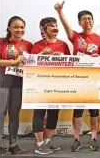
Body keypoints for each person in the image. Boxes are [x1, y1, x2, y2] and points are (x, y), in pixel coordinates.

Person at [54, 1, 100, 152]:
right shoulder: (76, 36)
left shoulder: (99, 40)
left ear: (93, 21)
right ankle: (76, 139)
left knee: (94, 111)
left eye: (89, 18)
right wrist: (59, 12)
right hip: (78, 79)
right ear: (79, 22)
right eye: (84, 19)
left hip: (94, 80)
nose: (87, 21)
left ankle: (94, 138)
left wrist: (99, 57)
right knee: (77, 111)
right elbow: (66, 26)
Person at [30, 17, 71, 155]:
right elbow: (29, 65)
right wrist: (41, 54)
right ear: (44, 29)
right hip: (39, 85)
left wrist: (63, 58)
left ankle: (47, 141)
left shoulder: (63, 45)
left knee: (54, 113)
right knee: (39, 113)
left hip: (57, 84)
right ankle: (39, 144)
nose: (55, 28)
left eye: (56, 25)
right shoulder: (36, 46)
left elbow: (71, 65)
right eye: (51, 26)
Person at [0, 16, 32, 154]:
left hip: (19, 82)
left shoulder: (29, 44)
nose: (19, 30)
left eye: (21, 27)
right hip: (2, 81)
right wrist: (13, 62)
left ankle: (13, 144)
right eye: (16, 27)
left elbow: (33, 61)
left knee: (14, 114)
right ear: (9, 28)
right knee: (0, 114)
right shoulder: (1, 42)